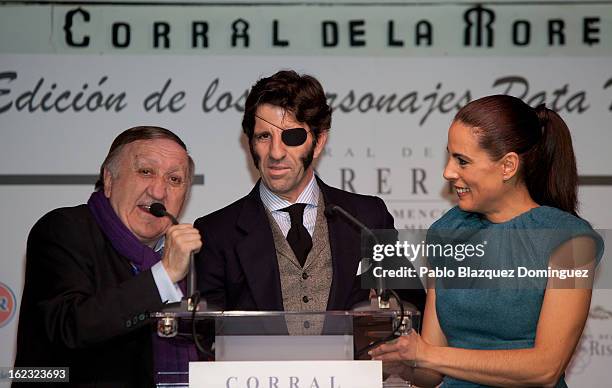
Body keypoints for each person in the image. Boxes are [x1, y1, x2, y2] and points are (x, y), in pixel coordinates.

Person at [370, 95, 604, 387]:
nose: (448, 172)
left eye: (462, 161)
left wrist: (426, 355)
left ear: (507, 166)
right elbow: (430, 372)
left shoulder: (571, 242)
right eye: (449, 156)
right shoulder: (446, 232)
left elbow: (545, 368)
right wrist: (398, 359)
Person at [194, 70, 425, 314]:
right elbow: (208, 333)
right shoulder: (216, 232)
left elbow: (408, 310)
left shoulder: (368, 217)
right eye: (263, 136)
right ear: (250, 142)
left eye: (291, 137)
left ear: (319, 141)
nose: (276, 153)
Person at [13, 126, 202, 387]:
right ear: (110, 181)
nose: (159, 192)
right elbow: (71, 327)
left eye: (174, 179)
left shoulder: (192, 255)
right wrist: (165, 276)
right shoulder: (63, 230)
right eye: (146, 171)